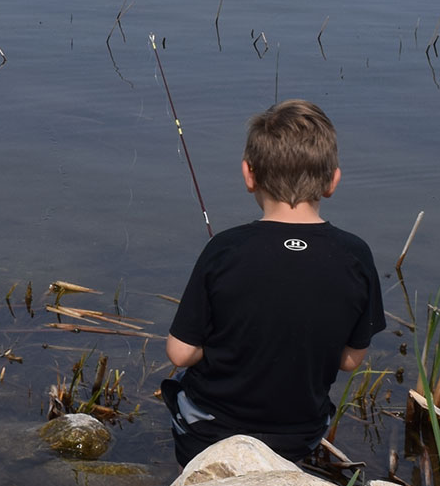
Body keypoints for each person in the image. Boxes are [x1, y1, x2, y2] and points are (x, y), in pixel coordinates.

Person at [164, 100, 386, 465]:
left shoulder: (225, 249)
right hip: (298, 437)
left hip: (210, 437)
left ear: (248, 174)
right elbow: (350, 360)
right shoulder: (355, 255)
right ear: (332, 181)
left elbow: (180, 353)